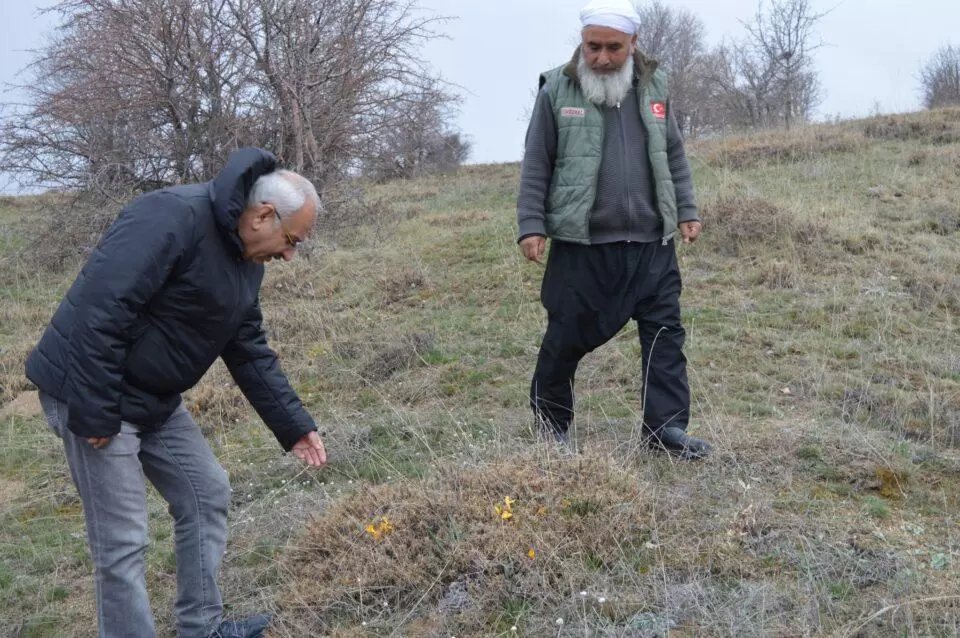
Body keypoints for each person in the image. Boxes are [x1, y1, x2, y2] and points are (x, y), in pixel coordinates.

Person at [25, 147, 327, 638]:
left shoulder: (245, 259)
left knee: (206, 492)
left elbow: (246, 346)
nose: (290, 255)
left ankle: (200, 628)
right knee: (123, 541)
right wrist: (97, 411)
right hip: (92, 388)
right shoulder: (169, 216)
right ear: (264, 215)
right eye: (291, 240)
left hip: (153, 399)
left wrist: (294, 425)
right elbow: (101, 309)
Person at [516, 0, 711, 460]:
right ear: (582, 42)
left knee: (665, 337)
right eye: (593, 46)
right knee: (564, 338)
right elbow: (536, 162)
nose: (601, 58)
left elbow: (674, 154)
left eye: (613, 48)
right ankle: (552, 427)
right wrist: (531, 225)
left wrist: (687, 209)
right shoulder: (557, 90)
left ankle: (665, 430)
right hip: (583, 246)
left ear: (633, 43)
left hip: (652, 243)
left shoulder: (655, 85)